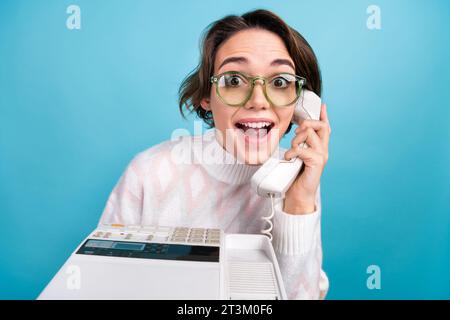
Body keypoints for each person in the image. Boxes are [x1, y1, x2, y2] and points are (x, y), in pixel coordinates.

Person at [100, 9, 331, 299]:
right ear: (206, 97)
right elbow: (104, 286)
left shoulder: (298, 179)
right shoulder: (148, 172)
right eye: (234, 81)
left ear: (299, 103)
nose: (258, 101)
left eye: (280, 82)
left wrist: (299, 204)